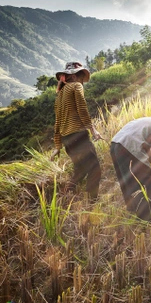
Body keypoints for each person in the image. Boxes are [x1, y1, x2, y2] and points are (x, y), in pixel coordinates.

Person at [50, 61, 102, 201]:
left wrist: (57, 145)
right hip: (78, 136)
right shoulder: (76, 86)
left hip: (67, 139)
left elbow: (57, 122)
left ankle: (66, 195)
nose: (82, 81)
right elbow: (82, 109)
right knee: (94, 168)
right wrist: (93, 129)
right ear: (75, 76)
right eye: (81, 77)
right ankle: (92, 202)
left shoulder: (59, 96)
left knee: (80, 169)